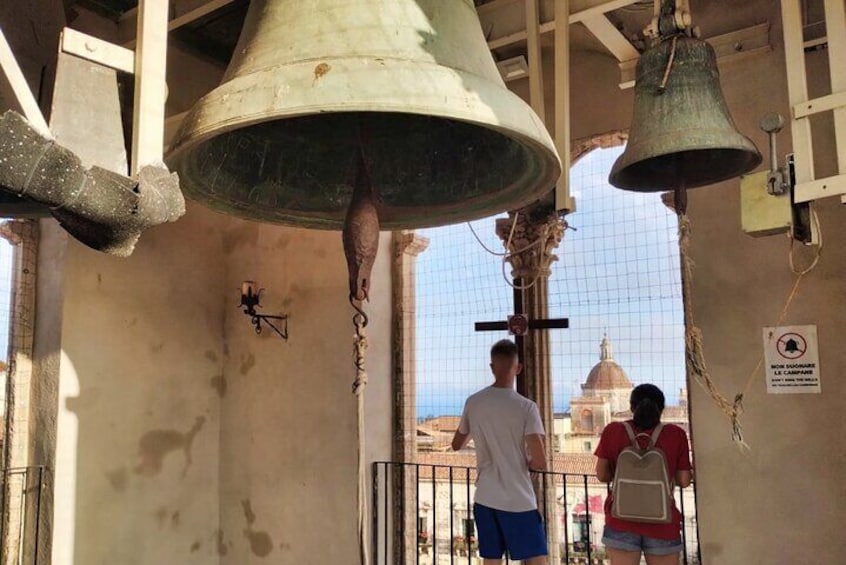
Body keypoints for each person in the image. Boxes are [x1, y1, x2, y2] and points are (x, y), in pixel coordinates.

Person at [451, 339, 549, 565]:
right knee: (537, 559)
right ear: (518, 368)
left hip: (485, 496)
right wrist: (529, 463)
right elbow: (540, 461)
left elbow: (457, 444)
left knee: (491, 559)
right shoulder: (526, 407)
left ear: (492, 367)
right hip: (519, 499)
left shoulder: (473, 402)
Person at [594, 384, 693, 565]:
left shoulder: (613, 431)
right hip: (663, 522)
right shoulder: (676, 434)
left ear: (632, 407)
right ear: (661, 409)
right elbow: (684, 480)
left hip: (620, 520)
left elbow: (602, 475)